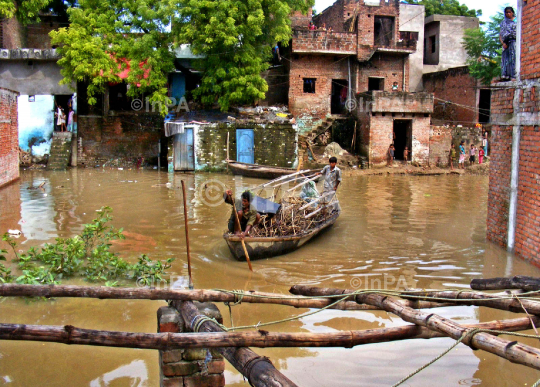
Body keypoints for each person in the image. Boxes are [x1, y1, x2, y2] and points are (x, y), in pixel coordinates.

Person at [500, 7, 517, 81]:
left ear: (512, 12)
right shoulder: (504, 23)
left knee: (513, 58)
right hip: (505, 43)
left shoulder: (516, 21)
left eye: (509, 12)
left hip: (513, 41)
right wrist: (503, 43)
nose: (508, 14)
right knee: (505, 60)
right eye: (506, 12)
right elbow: (500, 34)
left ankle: (513, 75)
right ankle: (506, 76)